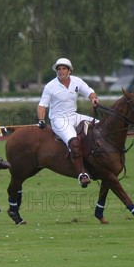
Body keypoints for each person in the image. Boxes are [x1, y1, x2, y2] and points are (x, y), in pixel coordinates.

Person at [37, 58, 99, 188]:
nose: (61, 71)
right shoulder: (50, 86)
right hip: (58, 119)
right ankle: (82, 174)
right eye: (59, 69)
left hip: (73, 116)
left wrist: (93, 99)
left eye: (64, 68)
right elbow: (42, 106)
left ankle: (98, 161)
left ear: (69, 70)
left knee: (99, 126)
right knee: (74, 141)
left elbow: (90, 92)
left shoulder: (77, 81)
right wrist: (41, 119)